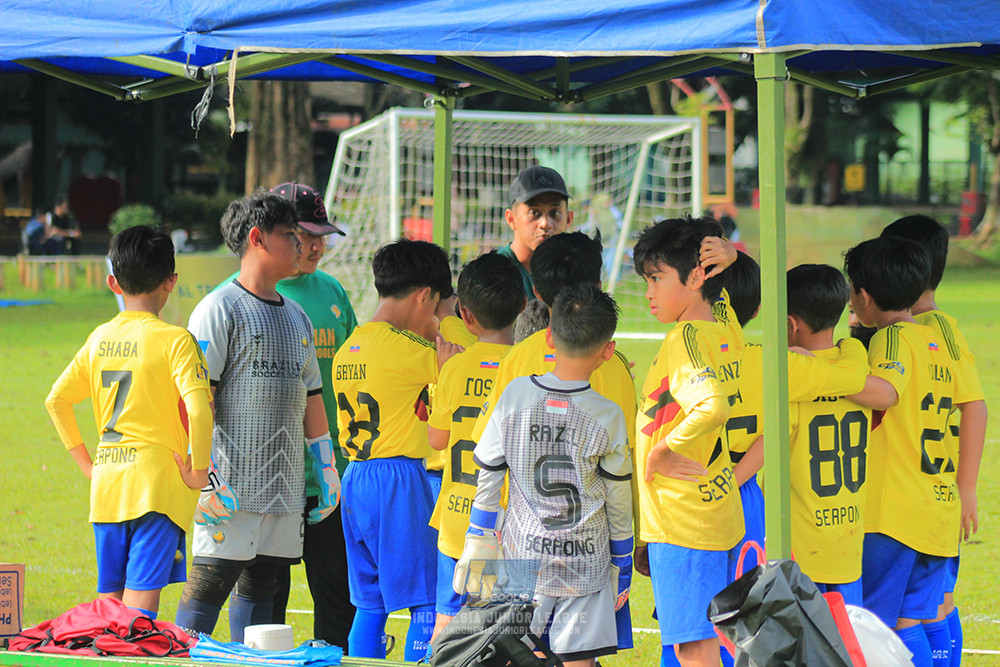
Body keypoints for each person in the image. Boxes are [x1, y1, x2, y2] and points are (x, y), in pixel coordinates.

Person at [174, 191, 342, 644]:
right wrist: (201, 468)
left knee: (263, 586)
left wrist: (325, 467)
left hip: (284, 491)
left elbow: (312, 397)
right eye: (290, 235)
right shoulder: (219, 308)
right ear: (257, 238)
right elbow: (195, 398)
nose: (301, 245)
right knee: (209, 583)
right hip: (229, 487)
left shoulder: (298, 317)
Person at [455, 283, 633, 667]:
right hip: (586, 557)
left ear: (549, 337)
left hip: (523, 552)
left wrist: (478, 534)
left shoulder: (517, 394)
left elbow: (487, 470)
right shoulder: (608, 415)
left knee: (514, 654)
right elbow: (618, 497)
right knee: (578, 660)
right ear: (608, 351)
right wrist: (623, 559)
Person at [44, 225, 213, 618]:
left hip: (108, 485)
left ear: (112, 282)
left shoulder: (98, 338)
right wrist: (199, 471)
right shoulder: (175, 340)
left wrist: (88, 466)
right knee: (139, 610)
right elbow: (200, 409)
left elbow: (56, 400)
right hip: (155, 487)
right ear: (172, 282)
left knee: (110, 605)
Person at [333, 238, 461, 661]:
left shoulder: (349, 346)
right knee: (425, 598)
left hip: (355, 478)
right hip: (398, 479)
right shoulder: (408, 350)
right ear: (425, 296)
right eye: (437, 303)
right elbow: (461, 362)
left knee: (370, 602)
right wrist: (449, 320)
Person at [631, 216, 744, 667]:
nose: (649, 293)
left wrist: (662, 450)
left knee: (693, 648)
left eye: (657, 278)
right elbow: (732, 292)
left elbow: (711, 405)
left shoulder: (685, 337)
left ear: (697, 276)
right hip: (711, 509)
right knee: (702, 641)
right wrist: (732, 258)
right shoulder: (725, 326)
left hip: (682, 521)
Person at [844, 237, 957, 667]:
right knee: (912, 620)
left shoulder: (890, 339)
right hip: (935, 505)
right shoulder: (935, 343)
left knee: (876, 623)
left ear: (863, 296)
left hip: (893, 513)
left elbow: (884, 393)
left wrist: (817, 369)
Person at [881, 215, 987, 667]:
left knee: (920, 610)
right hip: (928, 494)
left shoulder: (930, 330)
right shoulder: (924, 329)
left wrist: (966, 487)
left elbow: (975, 405)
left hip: (926, 494)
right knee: (932, 605)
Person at [263, 183, 358, 652]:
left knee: (339, 600)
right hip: (267, 479)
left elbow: (356, 369)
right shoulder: (247, 295)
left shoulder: (333, 290)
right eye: (305, 234)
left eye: (323, 235)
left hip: (331, 476)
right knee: (266, 606)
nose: (317, 245)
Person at [426, 252, 524, 639]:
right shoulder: (524, 367)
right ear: (522, 306)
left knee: (447, 623)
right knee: (498, 628)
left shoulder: (454, 366)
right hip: (501, 519)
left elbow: (436, 440)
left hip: (455, 516)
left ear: (464, 315)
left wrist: (441, 374)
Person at [499, 165, 574, 301]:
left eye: (555, 213)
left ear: (569, 219)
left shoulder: (575, 275)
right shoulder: (494, 276)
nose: (545, 223)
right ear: (511, 219)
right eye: (534, 212)